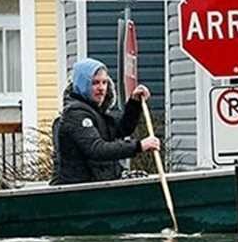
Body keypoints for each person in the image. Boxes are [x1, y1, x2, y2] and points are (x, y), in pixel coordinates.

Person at [52, 57, 159, 185]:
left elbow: (122, 129)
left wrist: (134, 103)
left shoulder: (96, 112)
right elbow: (96, 149)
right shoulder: (76, 114)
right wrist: (139, 146)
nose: (101, 88)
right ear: (82, 84)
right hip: (79, 191)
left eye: (104, 82)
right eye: (95, 83)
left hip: (97, 186)